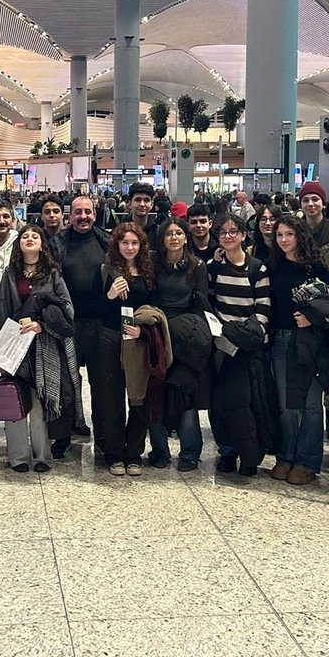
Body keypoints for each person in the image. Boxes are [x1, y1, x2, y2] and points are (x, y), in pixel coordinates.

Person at [0, 223, 77, 473]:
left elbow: (68, 308)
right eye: (25, 236)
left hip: (44, 345)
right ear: (18, 244)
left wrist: (43, 324)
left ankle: (42, 455)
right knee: (16, 399)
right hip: (15, 344)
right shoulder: (10, 273)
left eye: (35, 236)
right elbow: (2, 310)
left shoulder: (52, 273)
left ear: (42, 245)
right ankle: (18, 456)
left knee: (41, 402)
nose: (29, 239)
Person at [267, 215, 329, 485]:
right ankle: (285, 456)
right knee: (286, 404)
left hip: (311, 341)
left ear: (300, 236)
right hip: (282, 339)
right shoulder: (273, 266)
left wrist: (312, 318)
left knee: (310, 404)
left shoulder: (315, 266)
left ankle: (307, 461)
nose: (284, 240)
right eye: (279, 235)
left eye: (289, 234)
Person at [207, 213, 270, 477]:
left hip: (249, 346)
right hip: (222, 345)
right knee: (220, 404)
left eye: (234, 231)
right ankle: (227, 451)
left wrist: (251, 335)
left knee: (247, 404)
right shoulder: (213, 267)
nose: (228, 236)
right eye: (223, 232)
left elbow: (263, 308)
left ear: (244, 235)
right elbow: (210, 302)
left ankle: (249, 454)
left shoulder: (257, 269)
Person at [148, 218, 210, 471]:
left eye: (179, 233)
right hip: (157, 332)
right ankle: (159, 450)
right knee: (155, 393)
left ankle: (190, 452)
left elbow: (201, 302)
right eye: (169, 234)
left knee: (184, 393)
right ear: (162, 238)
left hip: (187, 336)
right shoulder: (152, 263)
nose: (174, 238)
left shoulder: (197, 266)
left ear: (186, 237)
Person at [50, 195, 111, 453]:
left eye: (88, 212)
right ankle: (62, 436)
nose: (83, 216)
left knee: (102, 384)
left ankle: (104, 439)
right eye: (78, 212)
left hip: (99, 323)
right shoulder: (56, 243)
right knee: (65, 382)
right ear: (70, 216)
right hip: (68, 325)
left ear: (95, 215)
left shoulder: (107, 241)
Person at [99, 223, 156, 476]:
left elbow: (155, 308)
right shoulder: (106, 270)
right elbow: (94, 307)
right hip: (111, 338)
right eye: (125, 242)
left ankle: (134, 453)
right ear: (117, 244)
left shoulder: (149, 271)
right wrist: (110, 295)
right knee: (112, 398)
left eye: (134, 243)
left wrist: (143, 331)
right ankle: (113, 454)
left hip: (138, 340)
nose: (130, 247)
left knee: (138, 397)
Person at [298, 181, 329, 247]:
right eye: (305, 200)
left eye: (315, 199)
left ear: (323, 204)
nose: (310, 204)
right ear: (301, 205)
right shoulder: (294, 229)